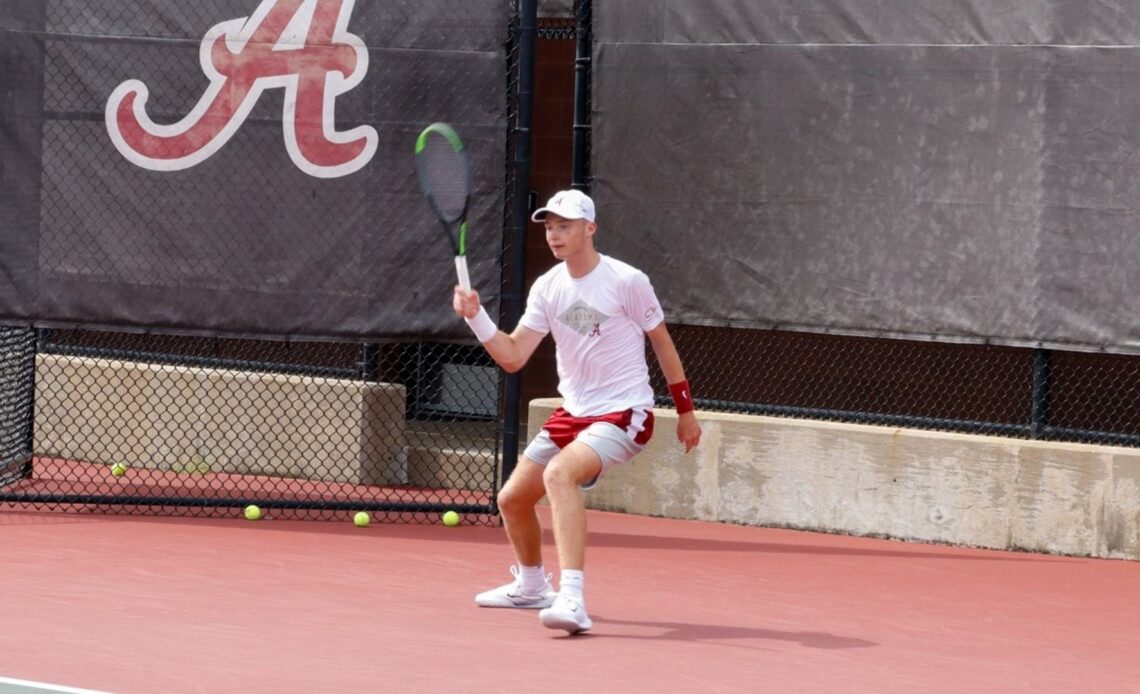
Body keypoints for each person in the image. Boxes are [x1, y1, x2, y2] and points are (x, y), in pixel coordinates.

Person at [452, 189, 702, 634]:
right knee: (511, 499)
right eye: (548, 227)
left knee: (559, 475)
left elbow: (662, 344)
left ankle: (572, 599)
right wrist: (476, 317)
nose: (554, 234)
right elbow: (513, 355)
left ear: (590, 228)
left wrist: (686, 411)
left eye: (564, 225)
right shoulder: (548, 287)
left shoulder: (627, 280)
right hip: (574, 412)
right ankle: (532, 587)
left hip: (625, 412)